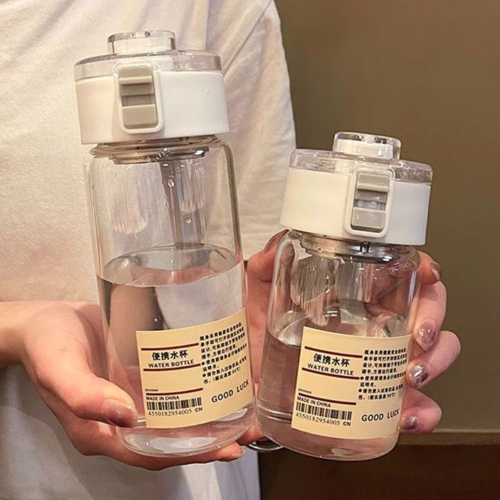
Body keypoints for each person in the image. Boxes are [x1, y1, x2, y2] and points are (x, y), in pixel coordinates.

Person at [0, 1, 460, 499]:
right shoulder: (107, 168)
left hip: (212, 432)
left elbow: (270, 259)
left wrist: (279, 339)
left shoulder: (219, 11)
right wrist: (17, 330)